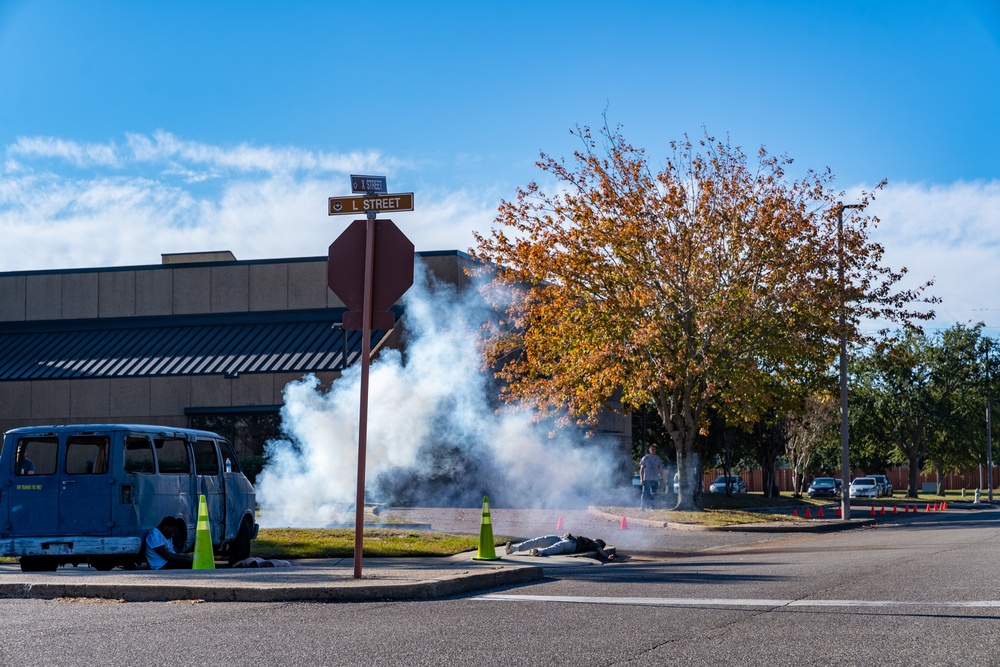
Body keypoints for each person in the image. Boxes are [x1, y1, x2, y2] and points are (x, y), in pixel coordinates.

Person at [505, 533, 616, 562]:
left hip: (572, 545)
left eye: (601, 541)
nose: (599, 539)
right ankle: (513, 549)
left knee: (559, 546)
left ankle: (539, 552)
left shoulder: (595, 544)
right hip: (562, 537)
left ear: (600, 543)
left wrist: (607, 557)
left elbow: (601, 551)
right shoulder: (590, 540)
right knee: (540, 539)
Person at [639, 444, 664, 510]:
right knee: (645, 493)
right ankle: (643, 506)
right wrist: (641, 479)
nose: (653, 450)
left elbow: (660, 469)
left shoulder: (657, 458)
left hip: (655, 479)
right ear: (649, 450)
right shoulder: (645, 458)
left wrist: (662, 477)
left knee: (654, 493)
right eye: (652, 449)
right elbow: (641, 469)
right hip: (647, 478)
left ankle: (652, 507)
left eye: (654, 449)